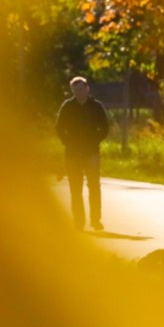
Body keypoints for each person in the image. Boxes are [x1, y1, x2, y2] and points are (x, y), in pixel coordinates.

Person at [55, 76, 110, 231]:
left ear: (87, 88)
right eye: (75, 90)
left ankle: (95, 220)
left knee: (94, 186)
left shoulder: (96, 106)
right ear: (72, 91)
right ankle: (79, 221)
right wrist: (67, 141)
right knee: (75, 188)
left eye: (81, 89)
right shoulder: (68, 106)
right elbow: (59, 127)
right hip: (72, 153)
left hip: (92, 152)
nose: (79, 92)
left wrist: (95, 140)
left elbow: (105, 127)